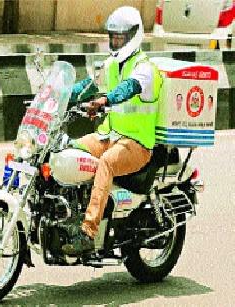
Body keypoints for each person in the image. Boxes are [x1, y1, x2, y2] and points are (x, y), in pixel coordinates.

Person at [62, 6, 163, 255]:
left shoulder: (145, 69)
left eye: (121, 37)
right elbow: (85, 87)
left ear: (133, 36)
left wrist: (105, 100)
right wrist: (57, 93)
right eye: (113, 36)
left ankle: (88, 231)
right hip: (110, 137)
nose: (116, 41)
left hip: (137, 145)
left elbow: (127, 89)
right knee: (70, 149)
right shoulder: (110, 65)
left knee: (106, 163)